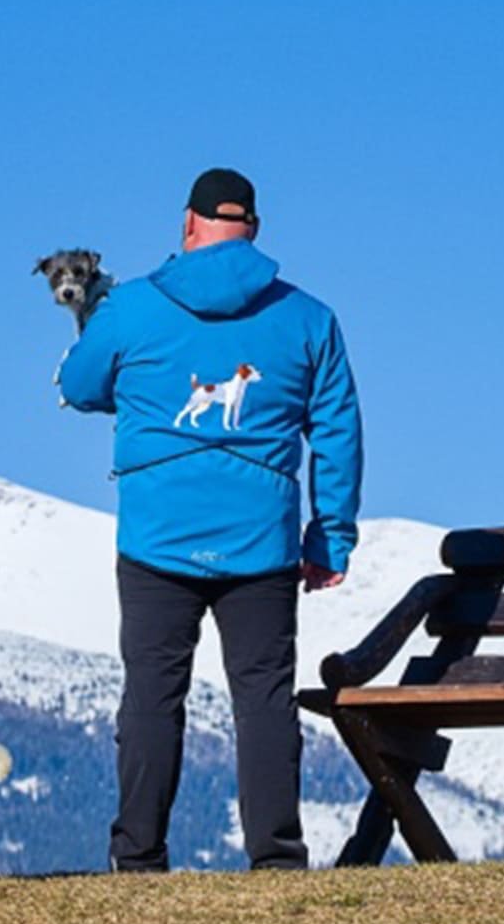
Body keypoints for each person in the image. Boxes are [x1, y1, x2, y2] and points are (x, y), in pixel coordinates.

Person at [58, 167, 363, 871]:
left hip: (156, 538)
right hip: (260, 543)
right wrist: (331, 533)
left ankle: (137, 856)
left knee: (152, 698)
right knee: (263, 699)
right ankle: (277, 858)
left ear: (187, 225)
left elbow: (78, 384)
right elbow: (338, 429)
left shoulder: (130, 309)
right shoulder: (309, 318)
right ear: (253, 230)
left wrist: (137, 391)